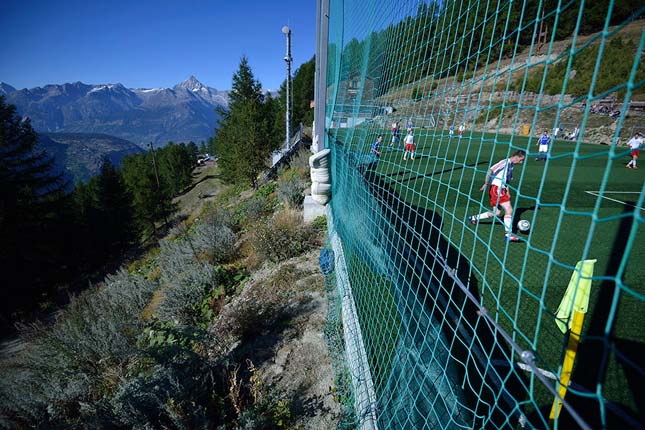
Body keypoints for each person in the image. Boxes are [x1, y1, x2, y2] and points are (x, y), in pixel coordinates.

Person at [467, 150, 526, 242]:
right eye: (521, 160)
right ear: (516, 157)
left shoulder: (511, 166)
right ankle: (508, 235)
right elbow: (490, 170)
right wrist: (486, 183)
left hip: (500, 189)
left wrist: (507, 192)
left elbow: (507, 181)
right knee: (509, 210)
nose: (521, 162)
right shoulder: (505, 162)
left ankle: (473, 218)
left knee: (497, 213)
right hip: (496, 189)